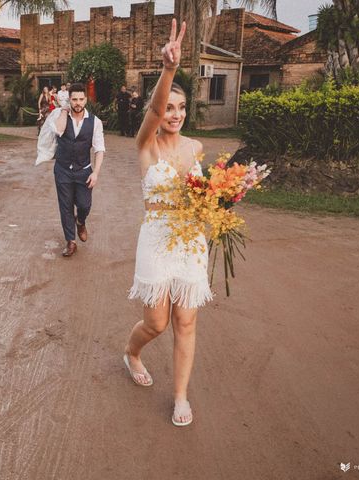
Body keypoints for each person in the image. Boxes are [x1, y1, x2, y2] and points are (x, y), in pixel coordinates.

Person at [124, 19, 210, 428]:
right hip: (157, 238)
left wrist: (217, 207)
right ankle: (132, 352)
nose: (173, 114)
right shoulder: (146, 144)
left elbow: (205, 198)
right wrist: (170, 70)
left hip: (191, 240)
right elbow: (155, 109)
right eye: (167, 108)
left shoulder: (197, 149)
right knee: (157, 322)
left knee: (186, 321)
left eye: (180, 107)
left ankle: (180, 396)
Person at [52, 83, 105, 257]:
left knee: (84, 204)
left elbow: (99, 149)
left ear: (86, 100)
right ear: (69, 100)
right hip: (63, 169)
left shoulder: (95, 122)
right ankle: (71, 241)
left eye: (81, 99)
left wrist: (95, 172)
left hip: (84, 169)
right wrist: (64, 110)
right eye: (74, 99)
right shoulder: (61, 116)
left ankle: (80, 221)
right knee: (65, 206)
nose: (78, 103)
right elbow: (59, 131)